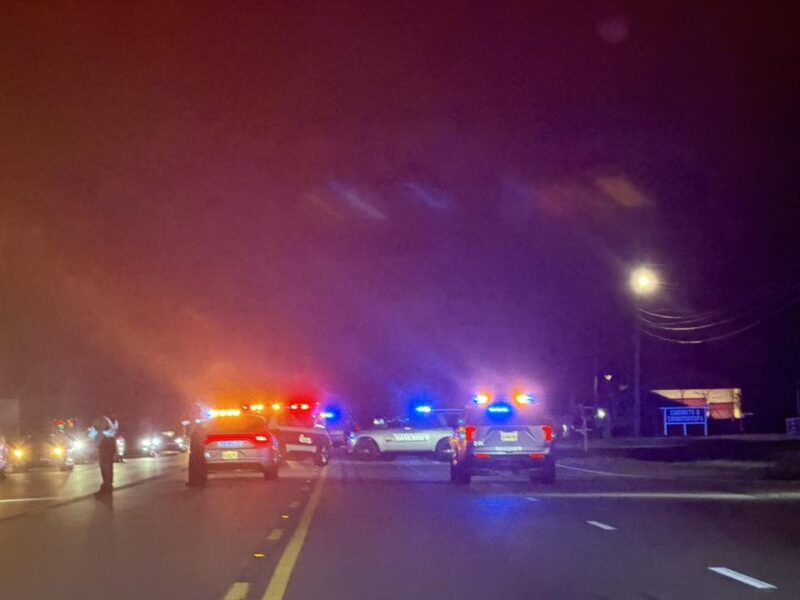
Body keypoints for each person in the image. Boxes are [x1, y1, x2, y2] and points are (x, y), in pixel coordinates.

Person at [89, 413, 118, 496]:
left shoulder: (101, 420)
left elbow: (100, 434)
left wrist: (94, 445)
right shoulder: (100, 421)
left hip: (107, 443)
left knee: (106, 466)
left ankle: (107, 486)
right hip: (107, 443)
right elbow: (93, 435)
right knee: (105, 466)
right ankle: (107, 485)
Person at [186, 419, 207, 487]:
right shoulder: (201, 430)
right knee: (200, 464)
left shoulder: (195, 431)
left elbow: (191, 436)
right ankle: (201, 480)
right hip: (199, 449)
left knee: (195, 465)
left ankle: (195, 481)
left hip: (196, 450)